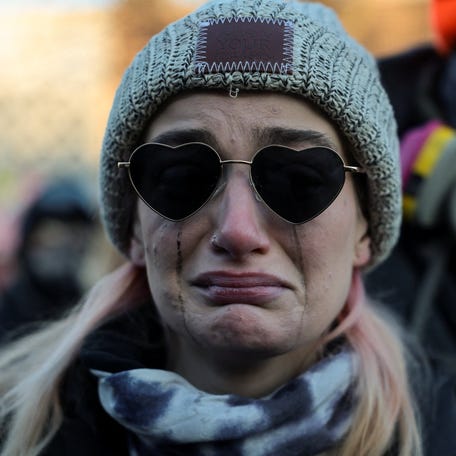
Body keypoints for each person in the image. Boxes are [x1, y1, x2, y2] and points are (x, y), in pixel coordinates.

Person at [0, 1, 455, 455]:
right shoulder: (17, 425)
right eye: (180, 177)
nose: (238, 231)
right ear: (135, 227)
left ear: (365, 229)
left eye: (299, 179)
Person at [0, 176, 96, 343]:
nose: (65, 247)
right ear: (30, 240)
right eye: (53, 235)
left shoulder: (87, 309)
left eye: (76, 235)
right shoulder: (10, 309)